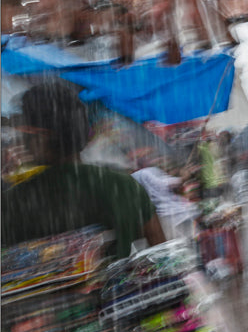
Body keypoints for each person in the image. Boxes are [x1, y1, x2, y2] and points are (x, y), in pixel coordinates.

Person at [1, 83, 165, 260]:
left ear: (41, 136)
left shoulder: (12, 203)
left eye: (25, 130)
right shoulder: (125, 186)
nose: (22, 138)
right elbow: (165, 258)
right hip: (115, 286)